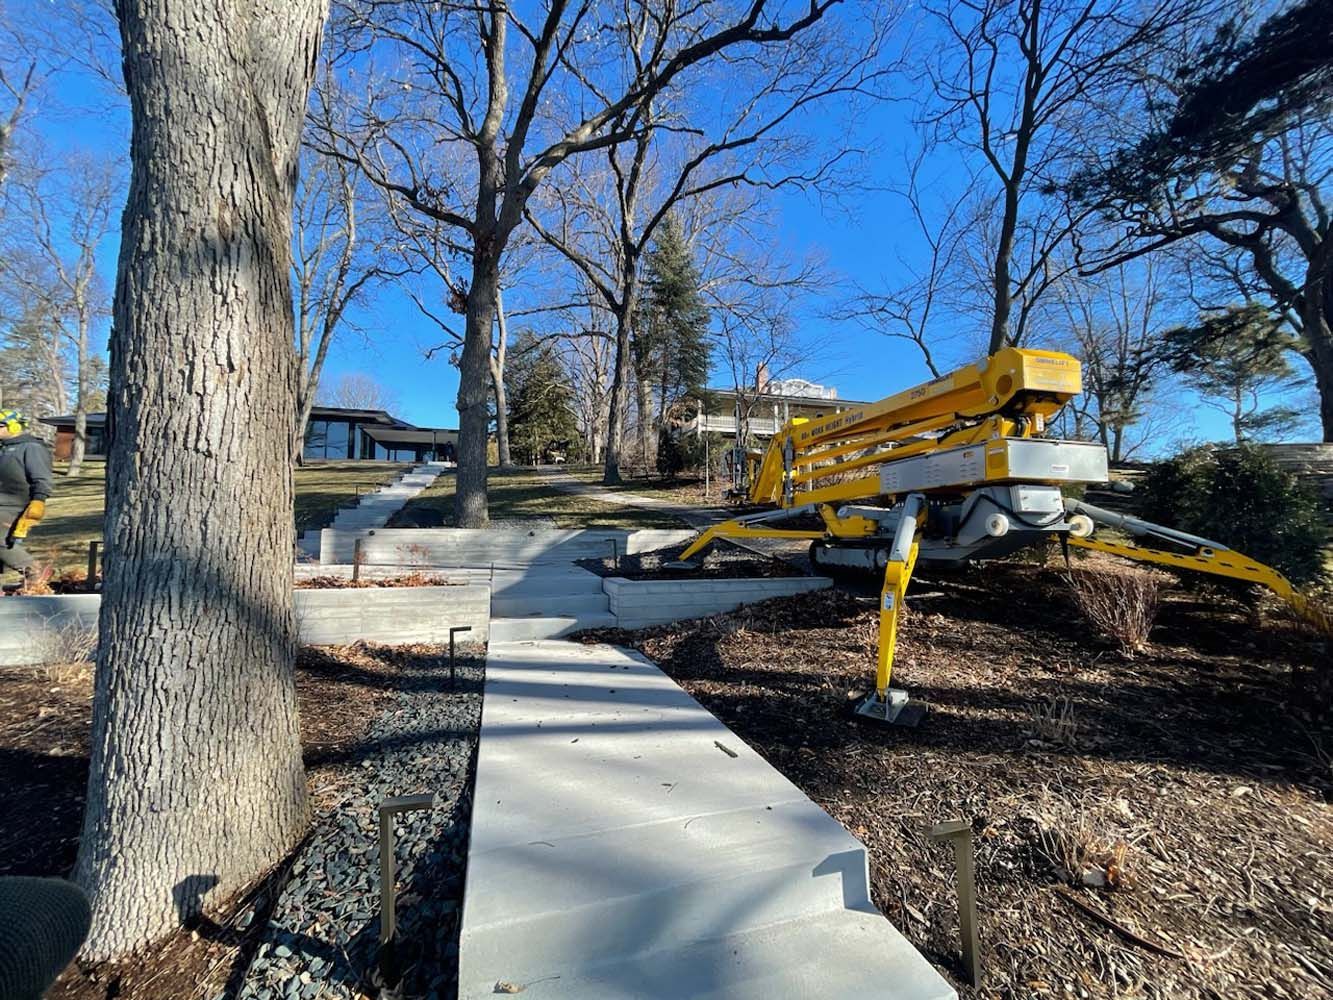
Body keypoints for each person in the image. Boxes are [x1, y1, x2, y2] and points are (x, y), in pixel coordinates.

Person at [0, 409, 52, 580]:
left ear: (14, 426)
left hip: (14, 504)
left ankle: (34, 571)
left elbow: (41, 478)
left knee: (2, 542)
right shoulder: (4, 448)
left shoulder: (31, 447)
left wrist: (38, 501)